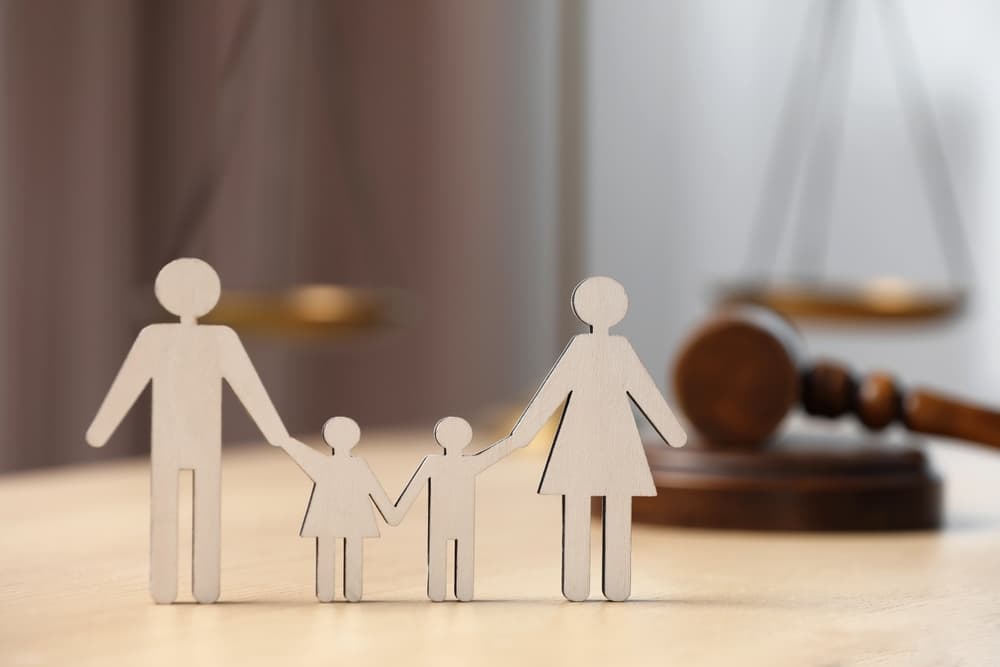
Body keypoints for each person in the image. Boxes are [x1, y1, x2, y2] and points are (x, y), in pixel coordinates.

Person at [85, 258, 291, 604]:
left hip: (198, 438)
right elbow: (129, 383)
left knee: (199, 507)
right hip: (174, 436)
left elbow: (248, 386)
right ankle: (169, 586)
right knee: (171, 508)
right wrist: (101, 428)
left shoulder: (213, 338)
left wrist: (275, 431)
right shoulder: (167, 338)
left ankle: (197, 586)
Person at [486, 276, 687, 602]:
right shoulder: (603, 350)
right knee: (601, 506)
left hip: (593, 438)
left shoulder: (601, 350)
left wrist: (521, 434)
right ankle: (594, 582)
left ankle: (592, 582)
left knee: (594, 506)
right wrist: (673, 434)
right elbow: (645, 396)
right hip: (599, 438)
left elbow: (643, 394)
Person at [395, 417, 520, 602]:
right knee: (455, 555)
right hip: (455, 522)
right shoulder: (463, 463)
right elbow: (502, 449)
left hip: (449, 521)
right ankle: (457, 591)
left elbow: (411, 491)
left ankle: (446, 591)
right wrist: (517, 438)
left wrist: (395, 512)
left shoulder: (438, 463)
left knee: (445, 555)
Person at [281, 418, 399, 602]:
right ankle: (350, 592)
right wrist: (392, 513)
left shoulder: (324, 464)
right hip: (352, 518)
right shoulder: (353, 465)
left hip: (331, 517)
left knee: (330, 548)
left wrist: (284, 441)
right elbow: (377, 493)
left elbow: (300, 453)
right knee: (347, 548)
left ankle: (330, 592)